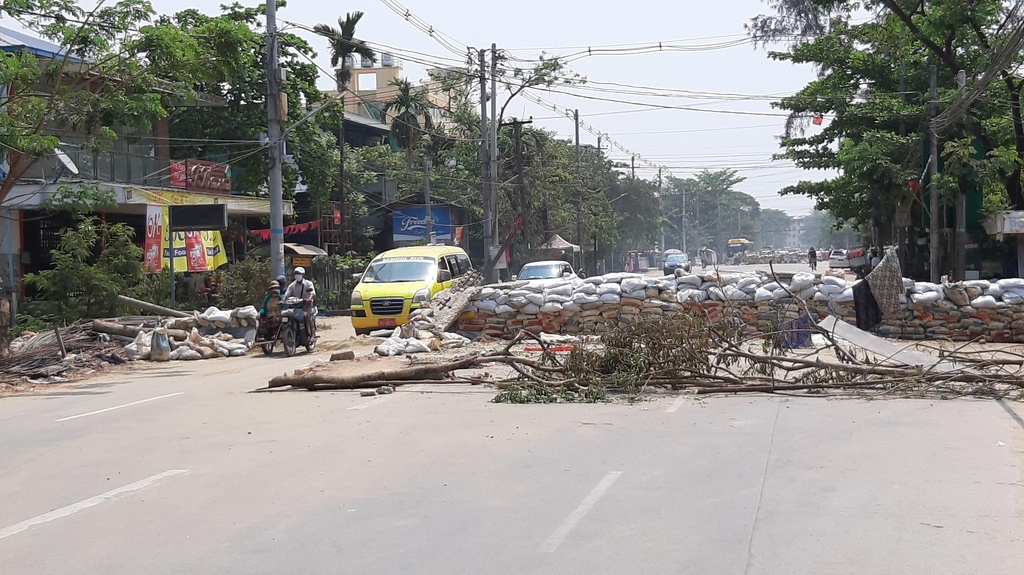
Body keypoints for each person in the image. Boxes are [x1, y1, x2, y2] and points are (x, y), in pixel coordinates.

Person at [284, 267, 316, 341]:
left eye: (299, 274)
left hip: (306, 305)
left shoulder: (308, 283)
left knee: (306, 316)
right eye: (296, 274)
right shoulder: (292, 285)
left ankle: (312, 334)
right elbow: (287, 293)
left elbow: (312, 293)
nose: (297, 275)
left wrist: (309, 298)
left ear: (302, 275)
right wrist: (283, 300)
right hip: (295, 305)